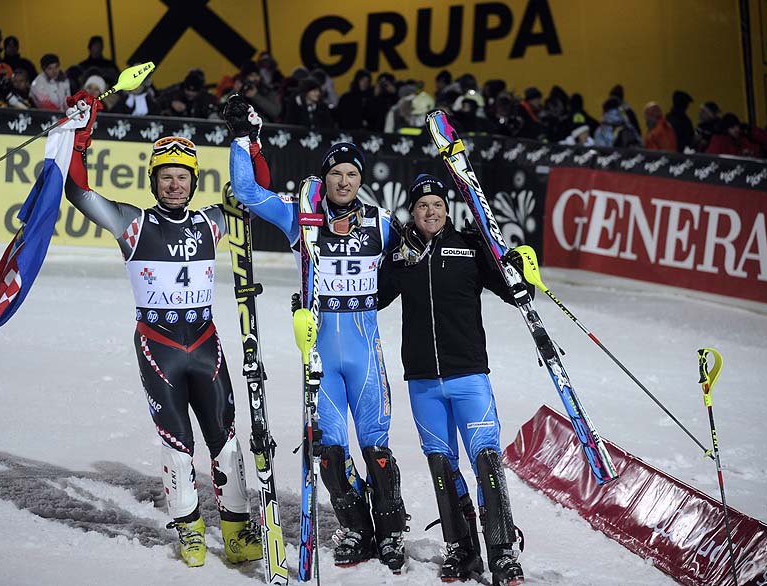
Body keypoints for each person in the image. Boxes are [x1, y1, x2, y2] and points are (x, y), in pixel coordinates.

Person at [62, 90, 266, 568]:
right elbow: (78, 192)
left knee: (227, 440)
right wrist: (80, 137)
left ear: (193, 182)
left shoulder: (211, 221)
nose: (174, 185)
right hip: (159, 347)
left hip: (205, 343)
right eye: (166, 177)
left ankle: (236, 529)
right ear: (153, 181)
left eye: (182, 177)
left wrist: (250, 142)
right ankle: (190, 529)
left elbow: (255, 192)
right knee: (178, 445)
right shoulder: (133, 222)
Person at [225, 95, 408, 572]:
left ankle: (390, 533)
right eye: (336, 174)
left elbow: (423, 258)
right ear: (324, 179)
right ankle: (354, 530)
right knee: (328, 450)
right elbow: (244, 190)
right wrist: (242, 138)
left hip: (366, 354)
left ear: (361, 180)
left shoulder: (383, 224)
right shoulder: (299, 217)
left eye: (352, 173)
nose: (344, 181)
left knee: (378, 450)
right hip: (320, 359)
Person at [378, 174, 526, 585]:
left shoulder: (470, 247)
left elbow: (516, 293)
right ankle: (463, 551)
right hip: (423, 380)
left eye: (437, 205)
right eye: (423, 205)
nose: (431, 211)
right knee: (442, 465)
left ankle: (502, 553)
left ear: (447, 210)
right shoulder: (401, 256)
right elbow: (369, 297)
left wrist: (515, 266)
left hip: (468, 375)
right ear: (413, 211)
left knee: (487, 460)